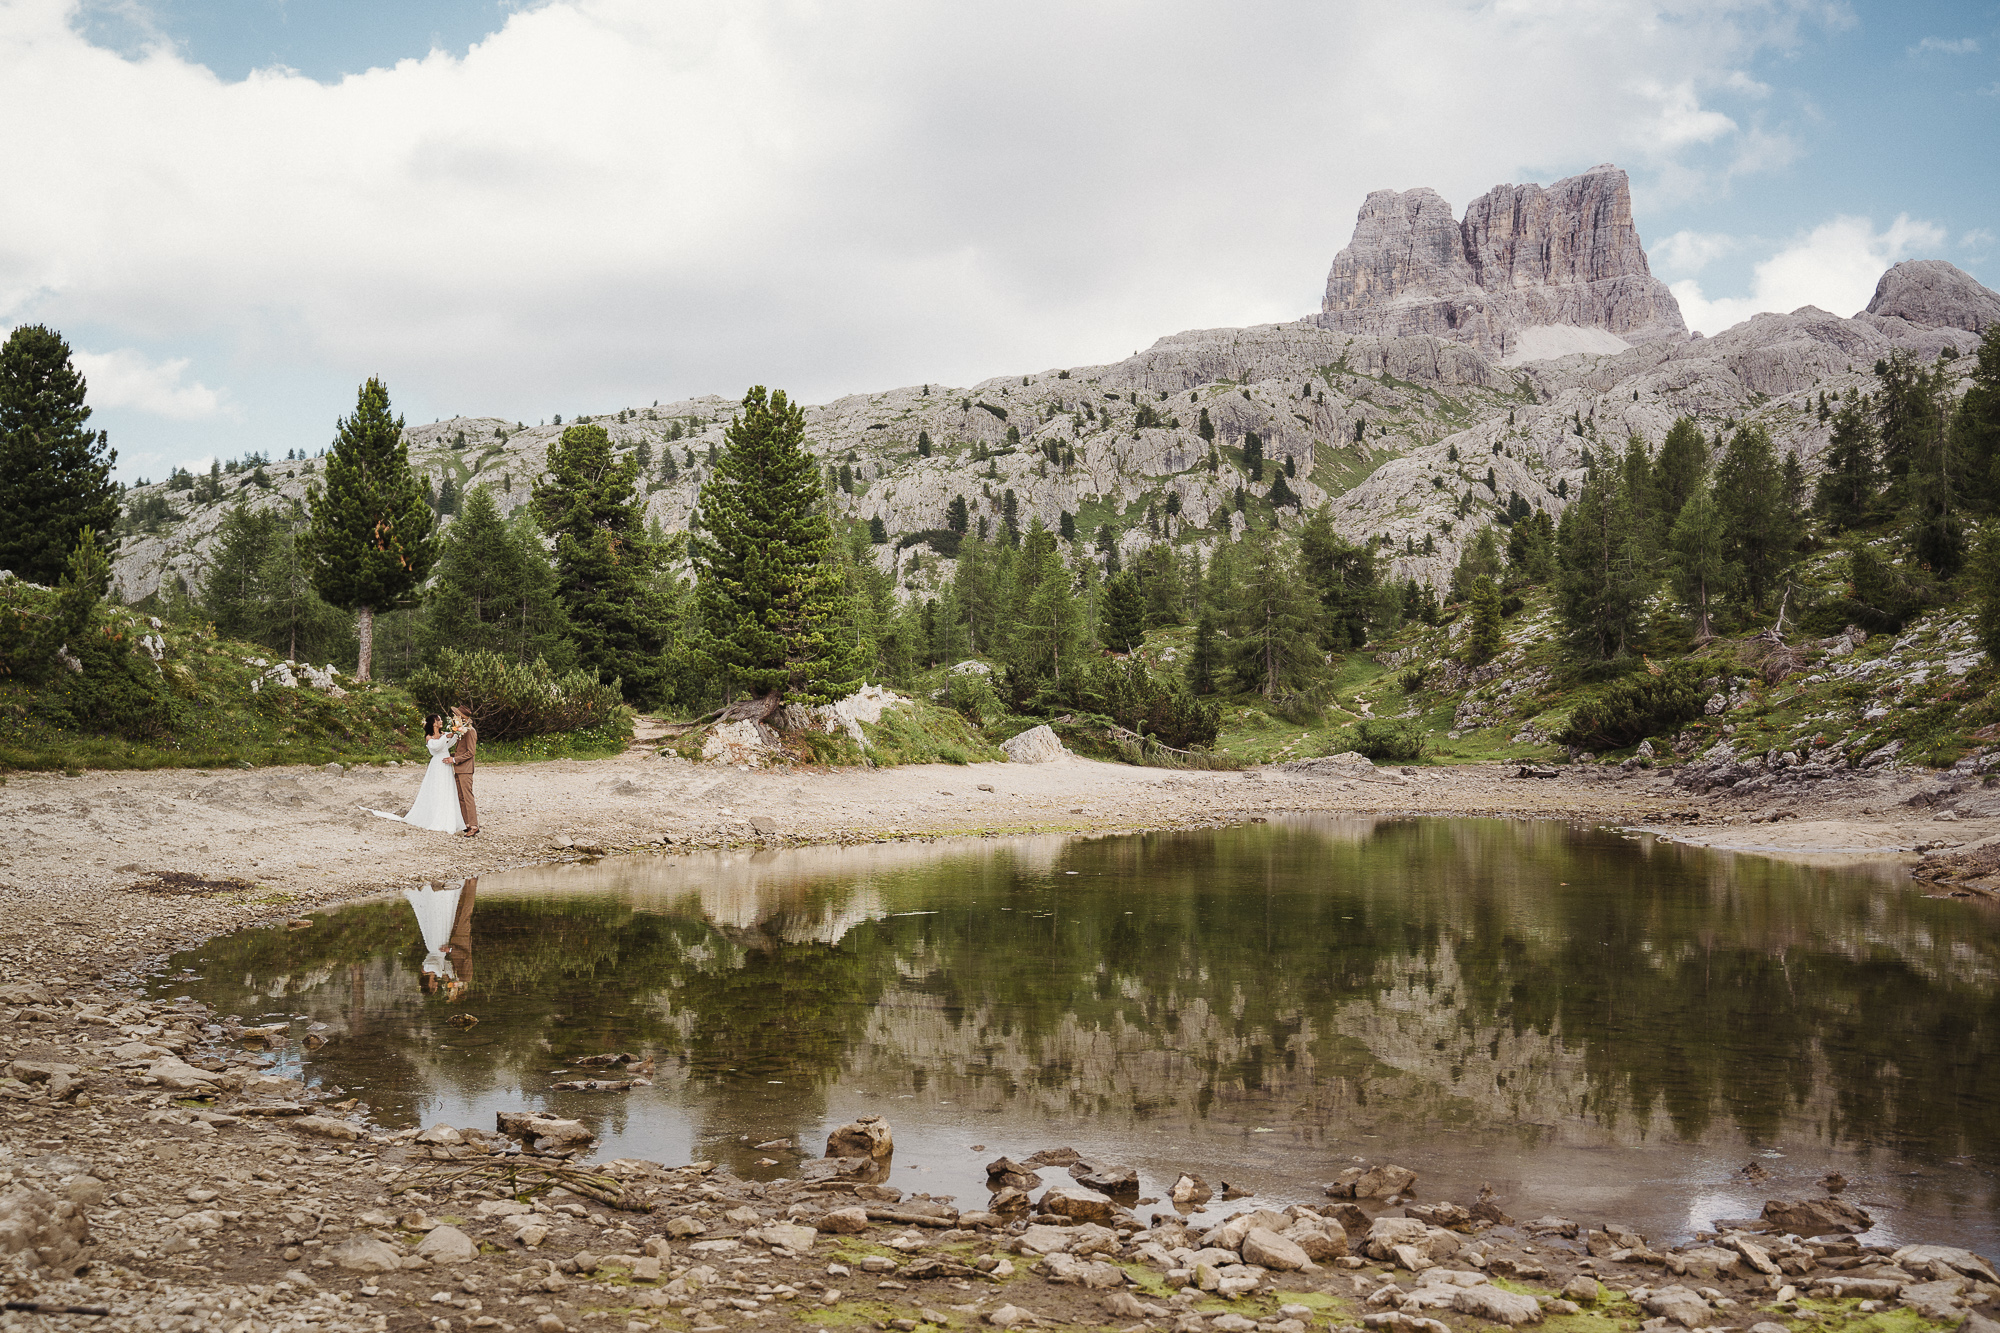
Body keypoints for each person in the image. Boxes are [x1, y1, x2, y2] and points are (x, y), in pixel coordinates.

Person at [363, 713, 466, 834]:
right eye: (438, 720)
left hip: (446, 764)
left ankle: (449, 818)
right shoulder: (429, 737)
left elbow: (448, 744)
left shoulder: (443, 734)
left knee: (446, 789)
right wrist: (445, 737)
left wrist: (456, 734)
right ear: (433, 723)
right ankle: (436, 817)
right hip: (437, 764)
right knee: (437, 788)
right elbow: (436, 747)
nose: (441, 721)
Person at [443, 704, 480, 837]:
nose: (454, 717)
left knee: (467, 797)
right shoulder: (462, 731)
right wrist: (451, 756)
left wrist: (454, 759)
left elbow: (470, 752)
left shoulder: (470, 731)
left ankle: (474, 825)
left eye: (456, 715)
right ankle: (466, 823)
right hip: (459, 769)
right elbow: (462, 751)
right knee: (461, 797)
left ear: (461, 717)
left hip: (466, 770)